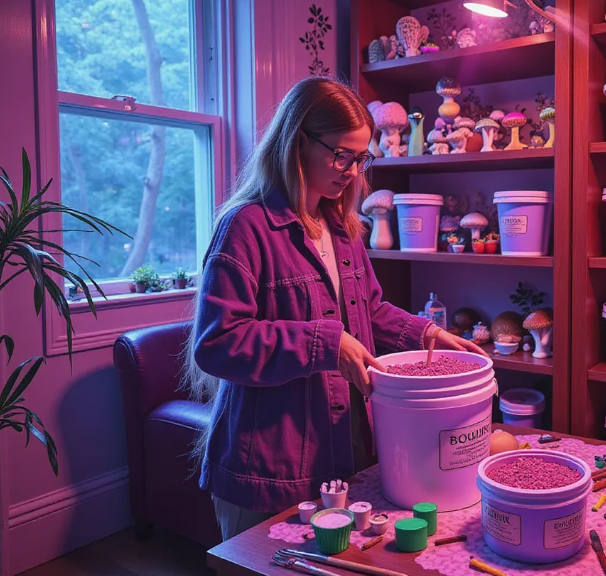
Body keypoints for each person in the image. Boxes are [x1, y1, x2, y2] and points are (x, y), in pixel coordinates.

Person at [184, 77, 485, 541]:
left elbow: (370, 310)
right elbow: (218, 344)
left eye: (360, 158)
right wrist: (324, 343)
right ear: (296, 141)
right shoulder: (245, 227)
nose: (350, 170)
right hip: (269, 468)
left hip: (343, 453)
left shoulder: (342, 228)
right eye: (341, 154)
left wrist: (425, 335)